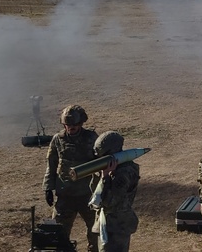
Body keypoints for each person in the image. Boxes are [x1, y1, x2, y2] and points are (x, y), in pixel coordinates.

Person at [44, 104, 99, 252]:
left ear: (81, 123)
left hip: (87, 194)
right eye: (67, 124)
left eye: (74, 124)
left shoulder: (92, 138)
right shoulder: (57, 139)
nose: (71, 127)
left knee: (95, 231)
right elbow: (52, 164)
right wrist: (48, 187)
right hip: (65, 195)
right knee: (58, 233)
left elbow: (101, 162)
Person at [89, 131, 140, 252]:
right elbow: (94, 194)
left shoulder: (125, 172)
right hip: (105, 223)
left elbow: (109, 201)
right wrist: (100, 176)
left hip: (117, 227)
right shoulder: (108, 169)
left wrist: (106, 177)